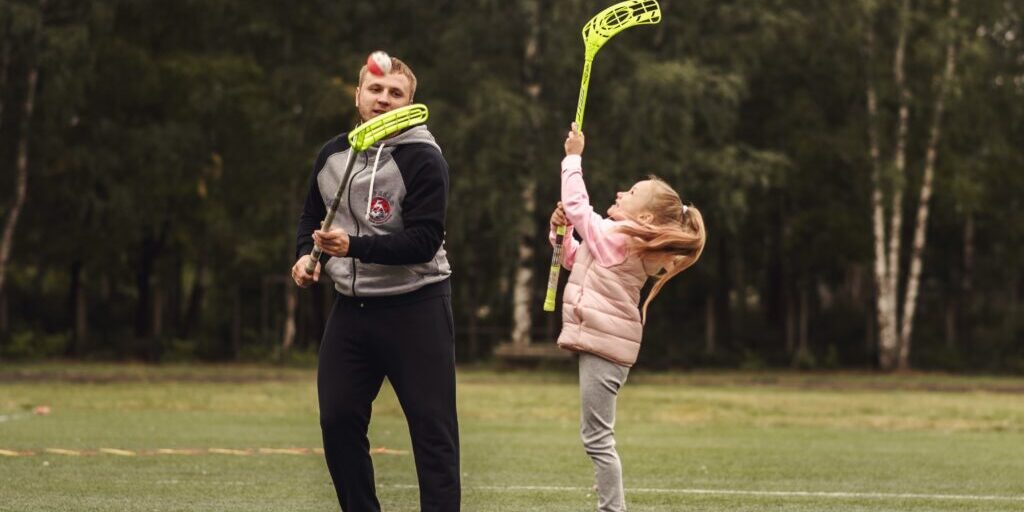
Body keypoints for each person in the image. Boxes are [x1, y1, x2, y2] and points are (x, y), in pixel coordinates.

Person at [291, 53, 459, 512]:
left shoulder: (424, 158)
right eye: (376, 90)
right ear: (359, 95)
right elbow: (312, 216)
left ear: (410, 102)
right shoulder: (332, 155)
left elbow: (424, 242)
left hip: (417, 306)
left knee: (432, 431)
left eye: (395, 93)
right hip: (351, 310)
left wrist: (354, 247)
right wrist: (306, 258)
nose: (384, 99)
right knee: (338, 420)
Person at [549, 123, 706, 512]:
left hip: (606, 350)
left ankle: (612, 509)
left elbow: (578, 208)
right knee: (597, 438)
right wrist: (561, 233)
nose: (621, 192)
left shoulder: (619, 237)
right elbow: (572, 259)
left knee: (597, 440)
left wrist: (573, 156)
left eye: (632, 193)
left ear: (648, 219)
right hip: (603, 347)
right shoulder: (613, 238)